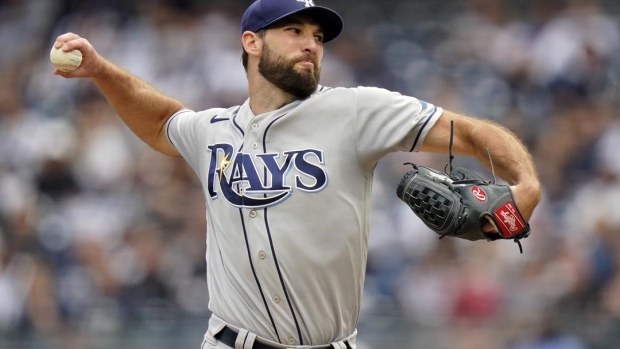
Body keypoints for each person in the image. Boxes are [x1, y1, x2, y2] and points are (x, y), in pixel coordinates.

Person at [51, 0, 542, 348]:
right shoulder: (214, 131)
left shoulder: (356, 110)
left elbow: (472, 132)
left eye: (317, 36)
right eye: (295, 32)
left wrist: (526, 185)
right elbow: (162, 120)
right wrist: (101, 70)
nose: (311, 45)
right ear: (252, 42)